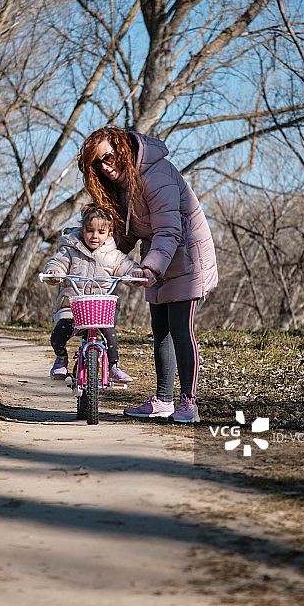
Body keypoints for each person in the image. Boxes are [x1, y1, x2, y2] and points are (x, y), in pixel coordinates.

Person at [78, 127, 218, 423]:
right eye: (97, 164)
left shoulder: (157, 176)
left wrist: (151, 268)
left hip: (186, 259)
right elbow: (126, 236)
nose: (105, 166)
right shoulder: (123, 188)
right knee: (161, 332)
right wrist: (94, 257)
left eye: (108, 157)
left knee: (181, 330)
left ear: (123, 149)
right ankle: (164, 400)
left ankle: (188, 403)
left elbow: (169, 230)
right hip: (157, 258)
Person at [42, 203, 143, 384]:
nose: (95, 236)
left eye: (101, 232)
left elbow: (126, 267)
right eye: (89, 231)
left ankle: (113, 367)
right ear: (82, 230)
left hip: (99, 308)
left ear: (109, 234)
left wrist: (135, 274)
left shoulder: (113, 255)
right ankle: (61, 359)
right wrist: (53, 273)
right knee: (59, 334)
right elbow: (58, 262)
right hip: (71, 306)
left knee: (109, 334)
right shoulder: (70, 249)